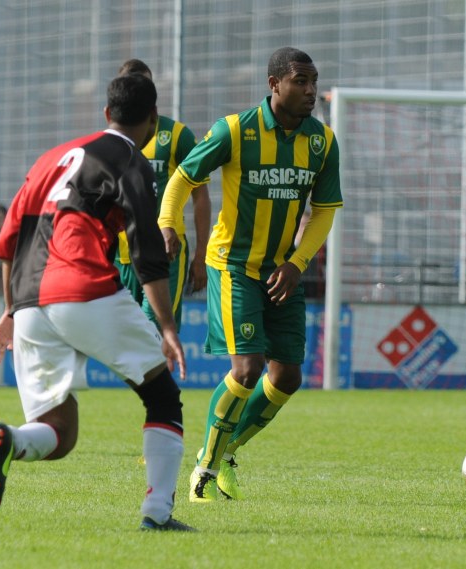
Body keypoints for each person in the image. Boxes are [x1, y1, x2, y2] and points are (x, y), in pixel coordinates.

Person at [0, 73, 194, 532]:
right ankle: (157, 516)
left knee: (60, 430)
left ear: (105, 113)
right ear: (153, 120)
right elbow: (147, 250)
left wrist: (12, 309)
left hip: (31, 299)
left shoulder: (52, 158)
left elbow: (7, 241)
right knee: (162, 397)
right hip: (83, 286)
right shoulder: (132, 160)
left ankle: (7, 440)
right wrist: (168, 326)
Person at [158, 47, 342, 503]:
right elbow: (183, 177)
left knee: (287, 378)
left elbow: (323, 212)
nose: (310, 90)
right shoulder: (235, 131)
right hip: (234, 266)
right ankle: (204, 471)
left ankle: (221, 451)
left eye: (314, 81)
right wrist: (167, 222)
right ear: (274, 83)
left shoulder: (322, 142)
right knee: (247, 368)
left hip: (283, 271)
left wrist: (298, 263)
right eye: (300, 80)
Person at [113, 59, 211, 330]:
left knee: (154, 334)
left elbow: (200, 195)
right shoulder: (112, 140)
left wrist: (201, 254)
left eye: (145, 84)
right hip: (122, 256)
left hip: (167, 253)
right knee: (128, 341)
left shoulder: (177, 135)